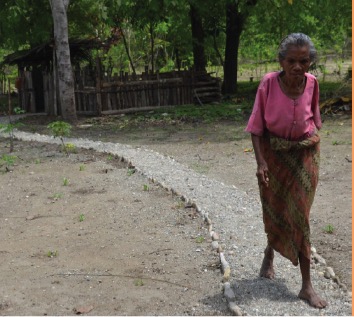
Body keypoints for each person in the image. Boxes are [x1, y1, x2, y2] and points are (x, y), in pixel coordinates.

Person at [245, 33, 327, 309]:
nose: (297, 67)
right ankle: (270, 253)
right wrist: (261, 163)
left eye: (304, 61)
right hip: (274, 154)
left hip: (304, 154)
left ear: (309, 62)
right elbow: (256, 128)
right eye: (291, 61)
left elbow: (315, 119)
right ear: (281, 61)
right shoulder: (268, 84)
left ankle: (306, 285)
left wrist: (308, 138)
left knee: (300, 214)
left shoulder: (313, 84)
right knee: (277, 207)